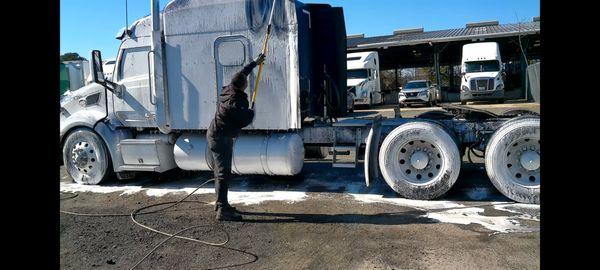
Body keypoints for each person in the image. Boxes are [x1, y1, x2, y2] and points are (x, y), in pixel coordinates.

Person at [207, 53, 266, 221]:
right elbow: (243, 121)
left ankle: (221, 204)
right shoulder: (236, 101)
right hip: (221, 137)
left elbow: (242, 73)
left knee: (220, 172)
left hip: (215, 134)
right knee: (223, 173)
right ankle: (222, 211)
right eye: (246, 83)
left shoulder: (228, 88)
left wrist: (255, 63)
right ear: (244, 86)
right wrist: (251, 112)